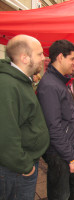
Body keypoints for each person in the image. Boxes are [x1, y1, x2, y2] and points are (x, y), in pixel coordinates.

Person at [0, 34, 49, 200]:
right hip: (16, 169)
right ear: (25, 58)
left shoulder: (21, 80)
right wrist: (26, 166)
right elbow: (5, 135)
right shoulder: (7, 85)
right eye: (40, 54)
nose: (44, 57)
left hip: (21, 166)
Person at [37, 40, 74, 200]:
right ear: (60, 58)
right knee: (60, 195)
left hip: (68, 150)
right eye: (72, 58)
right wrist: (71, 157)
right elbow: (54, 127)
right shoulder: (50, 85)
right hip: (60, 155)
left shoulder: (59, 81)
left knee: (73, 190)